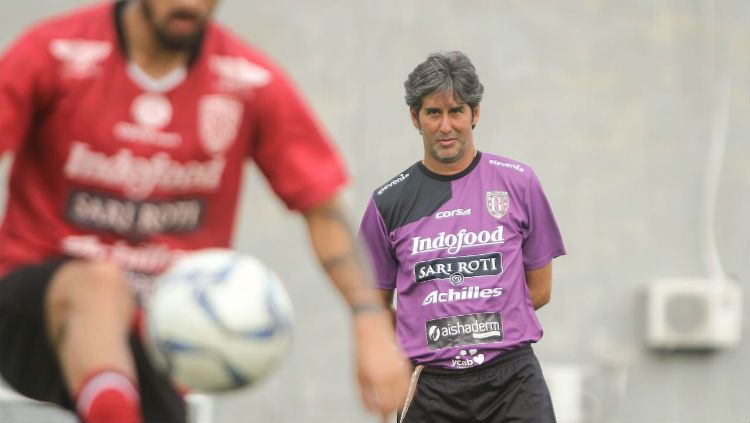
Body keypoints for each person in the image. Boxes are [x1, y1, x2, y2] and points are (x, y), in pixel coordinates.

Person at [0, 1, 410, 422]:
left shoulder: (246, 80)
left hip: (157, 338)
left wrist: (370, 320)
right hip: (31, 310)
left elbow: (322, 209)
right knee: (101, 282)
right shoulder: (57, 51)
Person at [358, 51, 566, 423]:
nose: (445, 126)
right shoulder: (388, 202)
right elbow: (373, 307)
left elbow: (540, 290)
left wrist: (480, 328)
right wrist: (422, 331)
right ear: (414, 118)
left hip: (511, 382)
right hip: (430, 388)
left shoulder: (518, 182)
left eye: (456, 111)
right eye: (433, 113)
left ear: (475, 114)